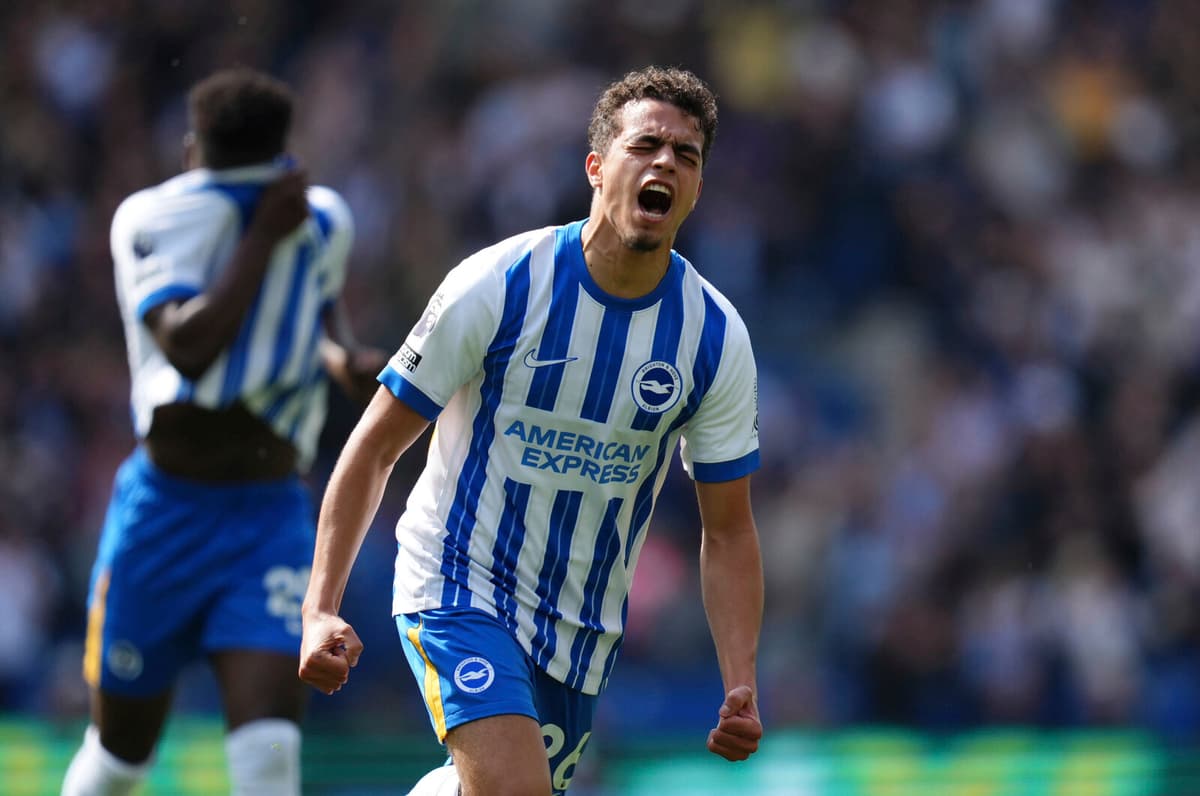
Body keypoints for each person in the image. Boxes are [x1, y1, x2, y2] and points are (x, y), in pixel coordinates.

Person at [299, 65, 764, 795]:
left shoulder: (714, 338)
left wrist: (740, 682)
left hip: (580, 633)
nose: (666, 163)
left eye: (687, 155)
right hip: (456, 582)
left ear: (697, 190)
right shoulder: (501, 282)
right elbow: (377, 446)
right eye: (646, 145)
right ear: (597, 167)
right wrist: (319, 607)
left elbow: (729, 529)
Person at [61, 67, 387, 796]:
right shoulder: (152, 217)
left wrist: (347, 364)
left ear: (191, 146)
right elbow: (187, 343)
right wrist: (261, 237)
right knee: (120, 756)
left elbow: (320, 320)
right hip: (163, 513)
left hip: (265, 519)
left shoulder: (323, 218)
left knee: (268, 757)